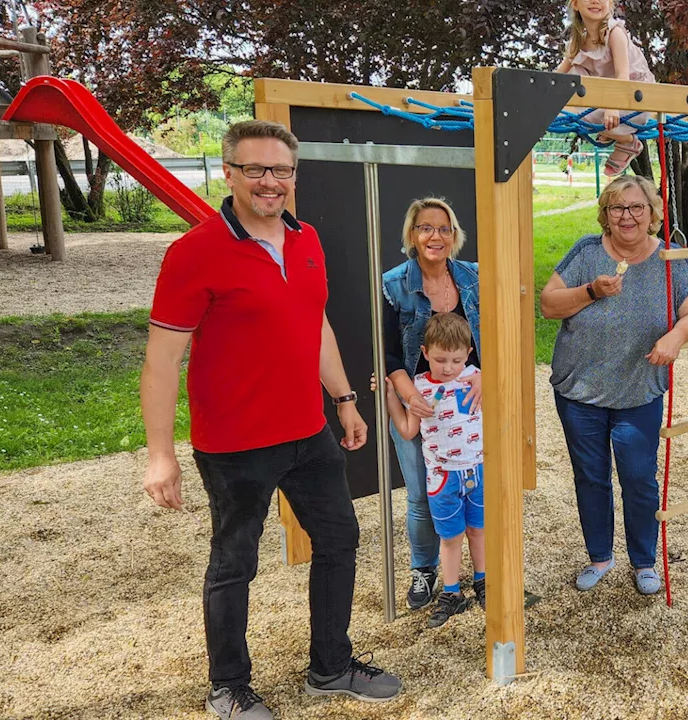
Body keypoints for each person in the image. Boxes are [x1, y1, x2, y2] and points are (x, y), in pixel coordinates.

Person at [140, 120, 401, 719]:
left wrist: (343, 398)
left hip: (308, 431)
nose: (270, 182)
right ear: (228, 173)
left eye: (281, 170)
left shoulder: (306, 238)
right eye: (255, 169)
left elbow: (315, 325)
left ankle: (331, 666)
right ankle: (227, 688)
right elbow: (160, 365)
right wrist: (160, 453)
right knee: (236, 562)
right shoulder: (194, 253)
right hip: (234, 444)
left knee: (339, 540)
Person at [541, 175, 688, 596]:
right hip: (580, 391)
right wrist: (591, 290)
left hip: (638, 390)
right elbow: (548, 305)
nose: (627, 216)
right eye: (617, 208)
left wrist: (675, 336)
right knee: (591, 475)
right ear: (606, 214)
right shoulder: (587, 252)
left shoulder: (669, 260)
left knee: (638, 476)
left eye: (636, 207)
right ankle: (600, 555)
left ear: (651, 213)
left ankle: (644, 560)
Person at [381, 197, 482, 613]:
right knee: (423, 493)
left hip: (467, 402)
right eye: (425, 227)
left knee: (475, 489)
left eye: (443, 228)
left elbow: (490, 335)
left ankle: (480, 575)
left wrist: (485, 376)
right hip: (418, 397)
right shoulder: (395, 284)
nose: (434, 236)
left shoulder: (472, 277)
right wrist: (408, 396)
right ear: (412, 235)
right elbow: (389, 356)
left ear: (454, 235)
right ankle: (424, 569)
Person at [381, 312, 486, 629]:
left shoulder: (475, 377)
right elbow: (408, 430)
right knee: (450, 537)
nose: (449, 368)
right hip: (442, 479)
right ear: (425, 353)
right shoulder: (421, 388)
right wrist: (391, 397)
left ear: (467, 355)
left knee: (479, 531)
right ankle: (452, 592)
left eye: (456, 360)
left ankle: (483, 581)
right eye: (440, 359)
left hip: (477, 472)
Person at [555, 0, 656, 176]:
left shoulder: (614, 32)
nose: (596, 1)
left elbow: (623, 76)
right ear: (576, 4)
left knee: (581, 115)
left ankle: (627, 140)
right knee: (572, 76)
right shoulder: (577, 42)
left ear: (610, 4)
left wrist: (612, 106)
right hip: (608, 101)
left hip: (633, 98)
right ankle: (619, 137)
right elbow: (557, 77)